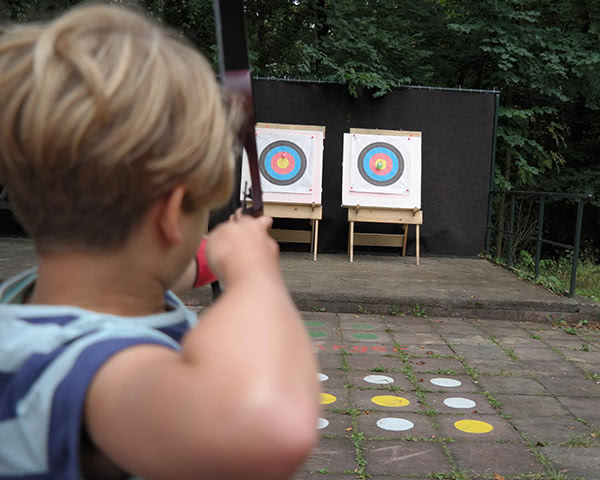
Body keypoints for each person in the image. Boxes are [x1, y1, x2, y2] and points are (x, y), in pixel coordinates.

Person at [0, 4, 319, 480]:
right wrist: (256, 278)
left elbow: (166, 264)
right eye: (200, 214)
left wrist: (220, 253)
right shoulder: (100, 374)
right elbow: (274, 428)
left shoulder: (33, 305)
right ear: (171, 215)